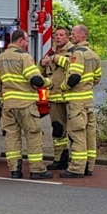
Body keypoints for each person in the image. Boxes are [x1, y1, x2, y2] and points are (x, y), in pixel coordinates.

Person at [0, 29, 52, 179]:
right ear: (20, 41)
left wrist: (2, 99)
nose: (26, 44)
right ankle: (37, 170)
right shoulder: (24, 57)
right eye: (26, 41)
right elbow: (35, 80)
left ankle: (15, 170)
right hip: (25, 104)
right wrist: (49, 82)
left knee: (11, 136)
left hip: (8, 105)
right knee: (33, 135)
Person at [57, 24, 102, 178]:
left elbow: (74, 77)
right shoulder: (93, 54)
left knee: (77, 134)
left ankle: (76, 168)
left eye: (74, 34)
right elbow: (97, 77)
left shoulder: (77, 53)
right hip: (88, 100)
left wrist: (63, 86)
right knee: (90, 133)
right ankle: (89, 166)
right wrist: (86, 87)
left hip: (76, 101)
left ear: (82, 35)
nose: (71, 36)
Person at [41, 27, 71, 170]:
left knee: (75, 130)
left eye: (61, 35)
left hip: (70, 98)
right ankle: (60, 158)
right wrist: (42, 64)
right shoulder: (51, 52)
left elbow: (74, 66)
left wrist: (56, 58)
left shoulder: (74, 51)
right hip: (54, 97)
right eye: (56, 35)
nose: (57, 37)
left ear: (68, 37)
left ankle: (80, 162)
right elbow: (40, 73)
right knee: (58, 129)